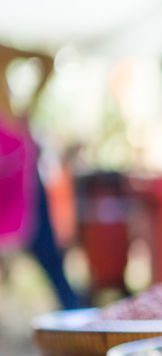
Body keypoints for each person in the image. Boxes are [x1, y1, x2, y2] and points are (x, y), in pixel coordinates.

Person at [0, 45, 80, 309]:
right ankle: (73, 308)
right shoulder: (14, 119)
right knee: (53, 264)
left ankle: (74, 310)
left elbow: (45, 59)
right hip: (21, 201)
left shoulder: (14, 118)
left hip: (27, 202)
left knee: (53, 264)